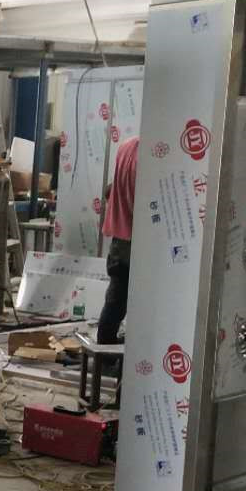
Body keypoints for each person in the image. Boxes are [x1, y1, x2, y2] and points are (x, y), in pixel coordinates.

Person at [98, 135, 139, 346]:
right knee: (138, 300)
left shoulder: (126, 147)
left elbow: (113, 189)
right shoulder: (151, 152)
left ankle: (105, 348)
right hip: (140, 239)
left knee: (116, 298)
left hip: (121, 237)